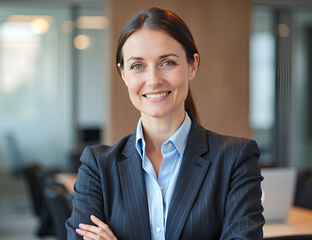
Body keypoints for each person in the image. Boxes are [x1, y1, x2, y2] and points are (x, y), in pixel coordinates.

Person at [66, 6, 264, 240]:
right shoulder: (98, 167)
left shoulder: (235, 159)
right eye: (137, 66)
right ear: (123, 74)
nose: (153, 80)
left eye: (167, 62)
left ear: (193, 65)